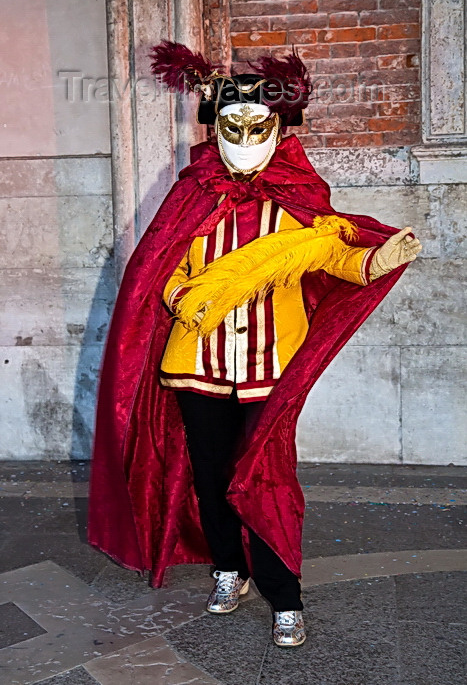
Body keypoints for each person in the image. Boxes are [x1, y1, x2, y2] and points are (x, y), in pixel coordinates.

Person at [87, 41, 422, 648]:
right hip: (196, 364)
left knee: (266, 476)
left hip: (271, 365)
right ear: (216, 128)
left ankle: (284, 593)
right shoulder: (193, 193)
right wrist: (179, 294)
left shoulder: (297, 198)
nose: (244, 137)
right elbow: (159, 268)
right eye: (232, 125)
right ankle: (228, 569)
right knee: (210, 477)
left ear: (279, 127)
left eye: (256, 125)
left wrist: (374, 260)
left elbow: (334, 253)